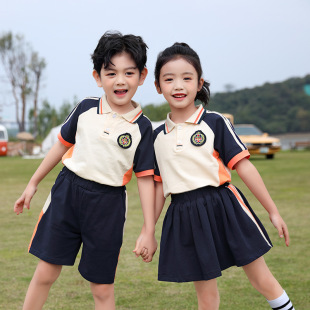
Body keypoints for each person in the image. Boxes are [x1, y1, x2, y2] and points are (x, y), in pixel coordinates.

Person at [14, 31, 157, 310]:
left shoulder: (143, 128)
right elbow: (59, 146)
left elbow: (145, 180)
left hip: (108, 205)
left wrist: (148, 229)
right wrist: (33, 184)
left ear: (141, 76)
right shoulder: (85, 108)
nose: (120, 81)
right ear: (97, 76)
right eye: (111, 72)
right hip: (67, 192)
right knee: (45, 272)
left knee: (102, 288)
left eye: (129, 73)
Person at [153, 42, 294, 310]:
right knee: (206, 296)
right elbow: (159, 187)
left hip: (225, 205)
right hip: (184, 214)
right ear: (158, 86)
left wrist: (273, 211)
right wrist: (149, 231)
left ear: (199, 83)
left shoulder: (215, 121)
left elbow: (245, 167)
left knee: (261, 278)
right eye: (169, 79)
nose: (178, 86)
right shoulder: (156, 137)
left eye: (187, 78)